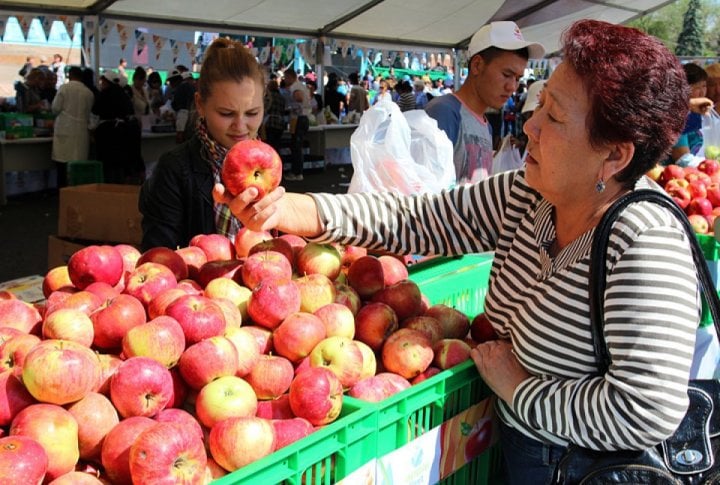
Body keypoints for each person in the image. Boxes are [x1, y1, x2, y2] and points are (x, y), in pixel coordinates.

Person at [214, 19, 697, 485]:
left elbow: (645, 411)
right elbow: (417, 218)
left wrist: (521, 390)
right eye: (539, 104)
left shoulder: (643, 241)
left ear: (615, 155)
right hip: (515, 445)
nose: (530, 126)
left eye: (554, 116)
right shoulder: (529, 195)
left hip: (582, 468)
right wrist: (288, 209)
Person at [139, 37, 264, 251]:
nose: (240, 126)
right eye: (226, 113)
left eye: (252, 113)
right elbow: (159, 256)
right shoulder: (174, 169)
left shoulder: (268, 164)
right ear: (200, 105)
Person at [426, 21, 544, 184]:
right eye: (506, 74)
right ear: (477, 65)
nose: (512, 87)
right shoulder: (444, 112)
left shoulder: (485, 125)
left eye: (517, 78)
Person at [92, 73, 143, 184]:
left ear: (106, 81)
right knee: (121, 163)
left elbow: (95, 112)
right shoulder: (124, 94)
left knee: (108, 165)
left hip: (107, 133)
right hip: (123, 131)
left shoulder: (104, 94)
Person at [51, 66, 95, 187]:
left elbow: (55, 109)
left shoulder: (64, 89)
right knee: (79, 165)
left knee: (62, 165)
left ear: (69, 75)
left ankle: (62, 193)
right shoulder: (88, 92)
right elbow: (90, 113)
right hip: (82, 132)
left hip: (64, 130)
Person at [668, 63, 714, 166]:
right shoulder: (678, 115)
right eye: (697, 87)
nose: (702, 92)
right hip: (677, 173)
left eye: (704, 86)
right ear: (684, 89)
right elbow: (682, 158)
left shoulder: (700, 113)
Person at [283, 68, 311, 181]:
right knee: (296, 146)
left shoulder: (296, 87)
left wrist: (292, 101)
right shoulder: (301, 85)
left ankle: (297, 172)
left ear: (290, 77)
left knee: (296, 146)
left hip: (299, 118)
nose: (284, 80)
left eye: (285, 78)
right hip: (301, 118)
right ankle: (297, 171)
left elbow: (299, 97)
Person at [263, 78, 286, 155]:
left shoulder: (268, 97)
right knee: (277, 144)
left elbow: (265, 108)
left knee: (269, 144)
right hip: (280, 123)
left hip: (270, 122)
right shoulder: (282, 97)